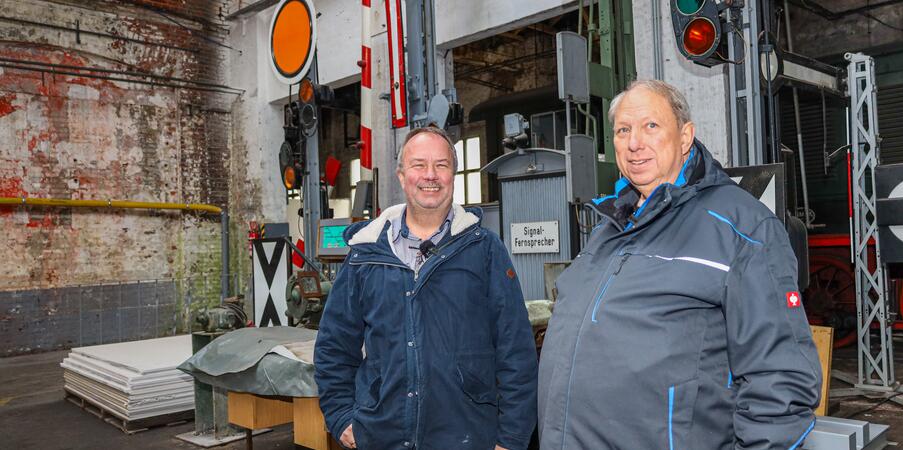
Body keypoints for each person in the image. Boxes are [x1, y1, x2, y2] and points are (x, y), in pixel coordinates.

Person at [537, 80, 821, 449]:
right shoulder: (608, 229)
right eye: (623, 130)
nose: (634, 142)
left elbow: (780, 379)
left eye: (650, 126)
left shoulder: (743, 227)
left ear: (685, 137)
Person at [315, 126, 538, 450]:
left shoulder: (484, 249)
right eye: (419, 165)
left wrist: (512, 438)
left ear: (454, 174)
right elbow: (334, 345)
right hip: (383, 436)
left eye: (441, 165)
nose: (430, 175)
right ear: (402, 176)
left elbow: (516, 351)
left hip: (467, 437)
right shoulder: (365, 254)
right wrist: (340, 415)